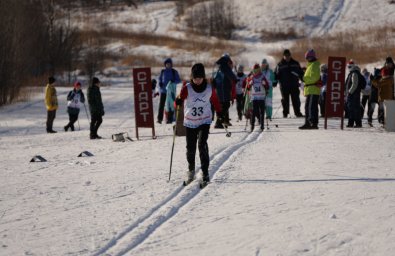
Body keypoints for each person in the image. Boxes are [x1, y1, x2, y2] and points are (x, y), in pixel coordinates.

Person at [175, 63, 221, 185]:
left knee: (201, 144)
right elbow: (178, 102)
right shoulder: (187, 88)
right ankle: (191, 170)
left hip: (204, 120)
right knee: (190, 148)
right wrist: (177, 101)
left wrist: (220, 113)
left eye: (200, 78)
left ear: (203, 77)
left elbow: (215, 100)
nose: (197, 80)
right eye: (195, 78)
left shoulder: (209, 88)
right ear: (192, 78)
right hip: (190, 122)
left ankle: (205, 172)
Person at [274, 49, 304, 118]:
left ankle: (297, 112)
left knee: (296, 99)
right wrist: (274, 82)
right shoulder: (280, 65)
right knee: (285, 100)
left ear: (290, 55)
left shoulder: (295, 63)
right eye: (286, 56)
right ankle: (285, 113)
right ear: (283, 56)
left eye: (288, 55)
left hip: (294, 85)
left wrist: (303, 79)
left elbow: (300, 73)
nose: (287, 57)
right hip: (284, 86)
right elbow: (276, 74)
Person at [212, 54, 237, 128]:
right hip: (224, 90)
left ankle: (223, 121)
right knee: (225, 105)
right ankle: (219, 122)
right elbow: (232, 76)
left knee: (221, 105)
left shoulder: (219, 67)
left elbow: (214, 77)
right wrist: (235, 79)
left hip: (218, 90)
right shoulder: (225, 67)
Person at [299, 49, 321, 130]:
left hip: (313, 89)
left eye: (309, 57)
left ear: (313, 57)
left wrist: (304, 78)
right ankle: (308, 122)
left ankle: (314, 123)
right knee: (307, 107)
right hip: (309, 89)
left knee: (312, 107)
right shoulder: (310, 65)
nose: (308, 59)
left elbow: (314, 77)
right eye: (307, 58)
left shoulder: (315, 65)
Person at [246, 64, 269, 132]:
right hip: (254, 98)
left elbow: (267, 86)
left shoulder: (262, 77)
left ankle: (262, 126)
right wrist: (249, 84)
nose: (256, 72)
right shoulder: (252, 78)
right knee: (254, 112)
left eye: (257, 70)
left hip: (261, 97)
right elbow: (248, 88)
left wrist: (265, 84)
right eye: (255, 71)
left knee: (262, 112)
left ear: (259, 70)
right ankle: (252, 126)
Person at [157, 58, 181, 124]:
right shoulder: (163, 72)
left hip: (171, 92)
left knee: (171, 106)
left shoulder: (174, 72)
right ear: (165, 65)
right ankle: (159, 119)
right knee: (161, 105)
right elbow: (159, 79)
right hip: (163, 91)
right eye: (167, 64)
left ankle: (170, 119)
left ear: (171, 64)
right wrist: (160, 83)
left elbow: (179, 80)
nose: (168, 65)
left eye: (169, 64)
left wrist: (174, 81)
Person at [345, 62, 365, 128]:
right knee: (352, 109)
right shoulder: (352, 73)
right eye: (348, 66)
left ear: (353, 66)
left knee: (354, 109)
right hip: (354, 94)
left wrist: (350, 92)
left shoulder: (354, 73)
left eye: (350, 67)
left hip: (353, 94)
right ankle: (351, 123)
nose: (348, 68)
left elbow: (354, 84)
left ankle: (357, 123)